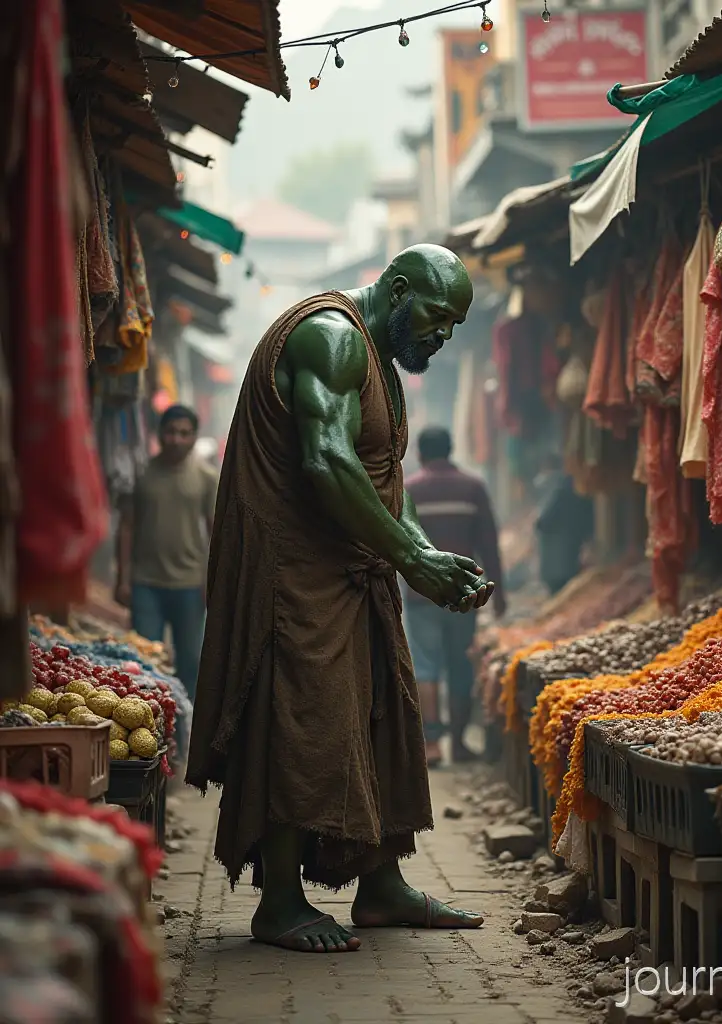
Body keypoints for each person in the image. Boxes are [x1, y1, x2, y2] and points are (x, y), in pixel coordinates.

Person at [185, 244, 494, 955]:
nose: (443, 337)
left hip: (355, 571)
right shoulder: (330, 337)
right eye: (438, 317)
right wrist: (412, 556)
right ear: (397, 288)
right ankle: (281, 902)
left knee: (381, 710)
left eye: (455, 326)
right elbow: (327, 459)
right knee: (306, 721)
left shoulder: (379, 358)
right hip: (295, 576)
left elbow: (381, 475)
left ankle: (381, 889)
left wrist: (428, 556)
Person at [404, 426, 505, 766]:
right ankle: (459, 744)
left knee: (427, 666)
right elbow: (489, 545)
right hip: (465, 593)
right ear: (451, 449)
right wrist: (499, 592)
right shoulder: (473, 487)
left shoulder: (410, 490)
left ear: (419, 453)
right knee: (460, 664)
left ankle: (432, 746)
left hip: (422, 596)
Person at [115, 404, 216, 705]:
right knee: (144, 663)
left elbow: (215, 533)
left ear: (195, 437)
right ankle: (151, 731)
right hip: (146, 582)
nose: (176, 439)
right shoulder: (142, 472)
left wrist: (211, 579)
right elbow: (126, 527)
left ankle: (184, 734)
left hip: (189, 584)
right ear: (159, 433)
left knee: (190, 662)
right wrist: (122, 578)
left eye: (184, 433)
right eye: (171, 432)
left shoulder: (207, 477)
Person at [534, 460, 594, 596]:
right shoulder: (572, 487)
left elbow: (543, 520)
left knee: (560, 589)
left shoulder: (557, 487)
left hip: (558, 561)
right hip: (570, 553)